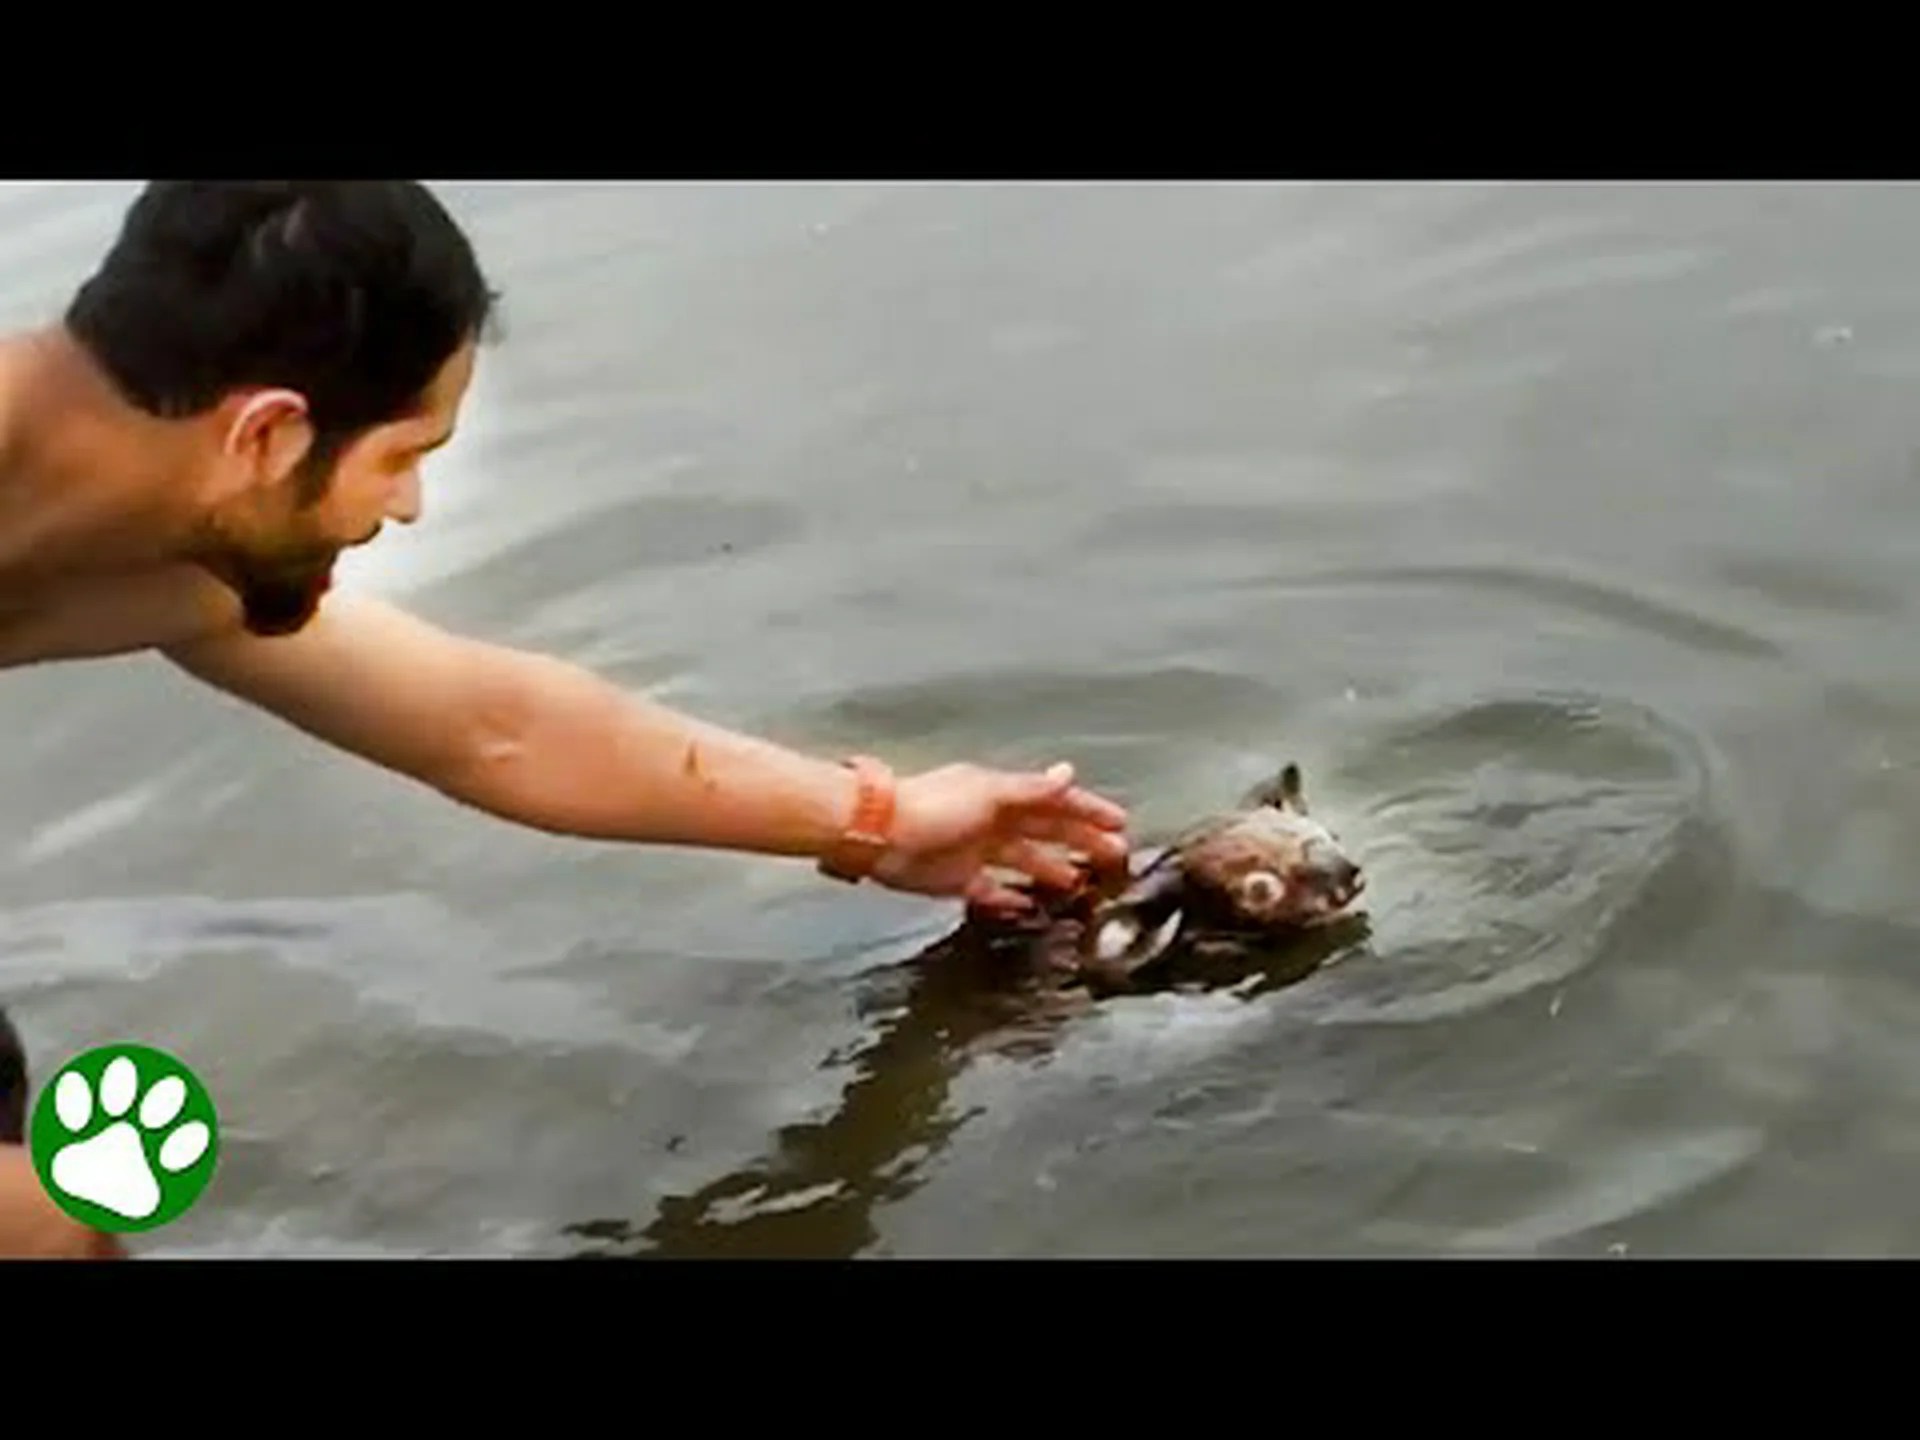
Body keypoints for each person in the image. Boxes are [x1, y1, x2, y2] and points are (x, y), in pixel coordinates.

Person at [0, 181, 1131, 1258]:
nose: (409, 507)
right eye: (402, 458)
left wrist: (879, 820)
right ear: (266, 436)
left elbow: (491, 726)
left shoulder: (162, 545)